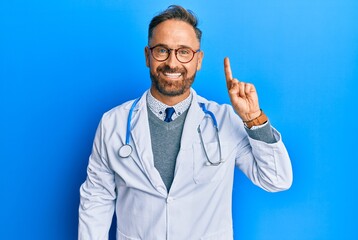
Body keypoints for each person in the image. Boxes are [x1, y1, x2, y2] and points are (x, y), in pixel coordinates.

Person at [78, 5, 292, 240]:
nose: (172, 63)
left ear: (198, 60)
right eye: (162, 50)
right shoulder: (113, 123)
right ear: (147, 57)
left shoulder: (224, 120)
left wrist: (253, 118)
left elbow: (277, 180)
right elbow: (96, 199)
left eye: (184, 52)